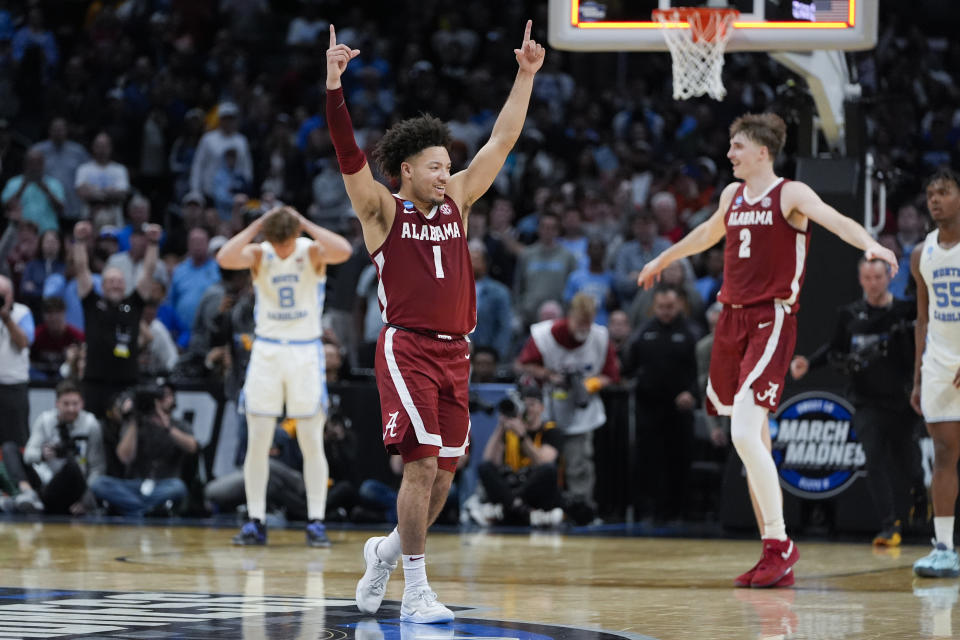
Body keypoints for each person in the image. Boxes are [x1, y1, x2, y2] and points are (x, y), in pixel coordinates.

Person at [325, 20, 544, 622]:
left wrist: (524, 76)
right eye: (434, 166)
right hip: (408, 348)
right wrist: (334, 87)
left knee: (445, 476)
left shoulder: (461, 202)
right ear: (405, 171)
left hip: (458, 352)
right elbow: (348, 157)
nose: (445, 173)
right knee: (420, 465)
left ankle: (385, 553)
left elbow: (502, 140)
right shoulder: (381, 211)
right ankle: (415, 591)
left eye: (448, 164)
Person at [637, 113, 898, 588]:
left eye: (737, 147)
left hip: (770, 317)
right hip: (731, 320)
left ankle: (780, 543)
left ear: (761, 151)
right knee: (754, 441)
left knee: (742, 434)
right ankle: (772, 552)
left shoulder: (790, 193)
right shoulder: (732, 196)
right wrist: (664, 257)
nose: (729, 154)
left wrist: (870, 244)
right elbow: (709, 233)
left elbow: (835, 220)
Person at [216, 205, 351, 547]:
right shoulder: (261, 251)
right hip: (267, 350)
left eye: (285, 242)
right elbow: (224, 257)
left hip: (305, 351)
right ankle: (255, 520)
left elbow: (345, 250)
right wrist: (257, 226)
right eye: (275, 242)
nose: (281, 249)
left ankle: (316, 521)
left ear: (295, 235)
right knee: (258, 440)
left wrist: (305, 222)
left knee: (310, 440)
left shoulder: (312, 249)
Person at [790, 257, 920, 547]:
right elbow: (834, 348)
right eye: (867, 278)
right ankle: (889, 526)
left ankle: (921, 508)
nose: (873, 283)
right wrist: (808, 364)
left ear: (888, 278)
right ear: (861, 280)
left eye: (878, 277)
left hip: (901, 402)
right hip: (866, 402)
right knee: (873, 460)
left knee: (910, 466)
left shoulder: (905, 311)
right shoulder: (849, 315)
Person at [515, 293, 619, 522]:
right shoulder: (544, 335)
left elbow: (610, 375)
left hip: (582, 414)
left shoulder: (600, 337)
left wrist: (590, 384)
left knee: (579, 466)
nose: (584, 327)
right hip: (548, 411)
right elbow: (523, 364)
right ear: (570, 316)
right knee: (545, 465)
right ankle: (542, 509)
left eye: (588, 321)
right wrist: (549, 375)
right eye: (580, 321)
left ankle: (582, 512)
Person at [910, 167, 960, 578]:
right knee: (944, 455)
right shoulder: (920, 252)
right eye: (930, 193)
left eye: (943, 191)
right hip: (939, 366)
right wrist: (916, 376)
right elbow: (922, 320)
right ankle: (944, 547)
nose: (935, 199)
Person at [73, 220, 161, 418]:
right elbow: (81, 269)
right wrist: (79, 240)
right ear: (102, 285)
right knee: (93, 432)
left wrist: (153, 244)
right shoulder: (92, 303)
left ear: (125, 285)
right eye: (110, 281)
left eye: (119, 281)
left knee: (125, 431)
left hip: (126, 383)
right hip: (94, 382)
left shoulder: (133, 304)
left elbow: (148, 271)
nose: (115, 285)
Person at [89, 383, 197, 517]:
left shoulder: (180, 425)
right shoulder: (135, 424)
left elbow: (192, 447)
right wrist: (134, 420)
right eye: (158, 396)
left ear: (173, 399)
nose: (161, 400)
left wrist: (167, 426)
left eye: (166, 395)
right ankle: (147, 511)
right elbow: (124, 457)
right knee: (99, 484)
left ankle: (132, 508)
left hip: (164, 484)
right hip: (134, 485)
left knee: (179, 487)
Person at [0, 379, 104, 515]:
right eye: (66, 404)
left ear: (82, 404)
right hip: (44, 484)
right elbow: (28, 455)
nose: (71, 409)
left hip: (73, 486)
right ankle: (28, 495)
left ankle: (18, 503)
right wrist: (42, 455)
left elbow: (97, 468)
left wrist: (86, 499)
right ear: (57, 404)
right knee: (9, 448)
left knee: (73, 466)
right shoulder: (45, 420)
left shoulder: (91, 424)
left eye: (75, 404)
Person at [0, 273, 34, 446]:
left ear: (11, 295)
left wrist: (6, 318)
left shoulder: (22, 312)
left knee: (17, 441)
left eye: (3, 294)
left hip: (14, 386)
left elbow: (23, 342)